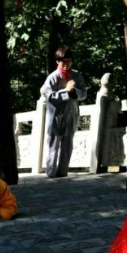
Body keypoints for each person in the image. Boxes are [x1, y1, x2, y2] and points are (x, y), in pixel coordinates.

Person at [40, 46, 85, 178]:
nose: (66, 63)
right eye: (63, 61)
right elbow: (51, 97)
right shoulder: (52, 77)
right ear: (57, 62)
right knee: (53, 144)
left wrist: (73, 92)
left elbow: (84, 93)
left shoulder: (76, 75)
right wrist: (66, 91)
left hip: (71, 114)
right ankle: (51, 172)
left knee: (68, 144)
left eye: (69, 60)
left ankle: (63, 172)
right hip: (56, 117)